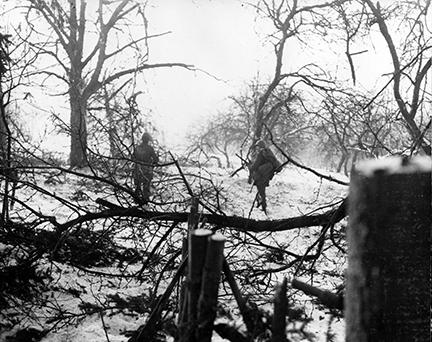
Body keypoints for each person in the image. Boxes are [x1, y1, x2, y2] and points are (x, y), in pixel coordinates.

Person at [248, 140, 282, 213]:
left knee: (261, 191)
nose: (257, 148)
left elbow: (256, 164)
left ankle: (263, 206)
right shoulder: (268, 152)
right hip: (267, 175)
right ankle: (260, 204)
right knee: (261, 190)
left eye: (258, 146)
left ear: (260, 146)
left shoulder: (261, 153)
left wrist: (250, 167)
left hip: (261, 175)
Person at [132, 132, 159, 204]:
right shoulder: (150, 148)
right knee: (146, 186)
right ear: (148, 140)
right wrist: (153, 164)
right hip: (147, 170)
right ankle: (145, 202)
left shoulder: (137, 147)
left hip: (137, 169)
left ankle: (136, 200)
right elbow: (156, 160)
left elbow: (133, 157)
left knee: (137, 186)